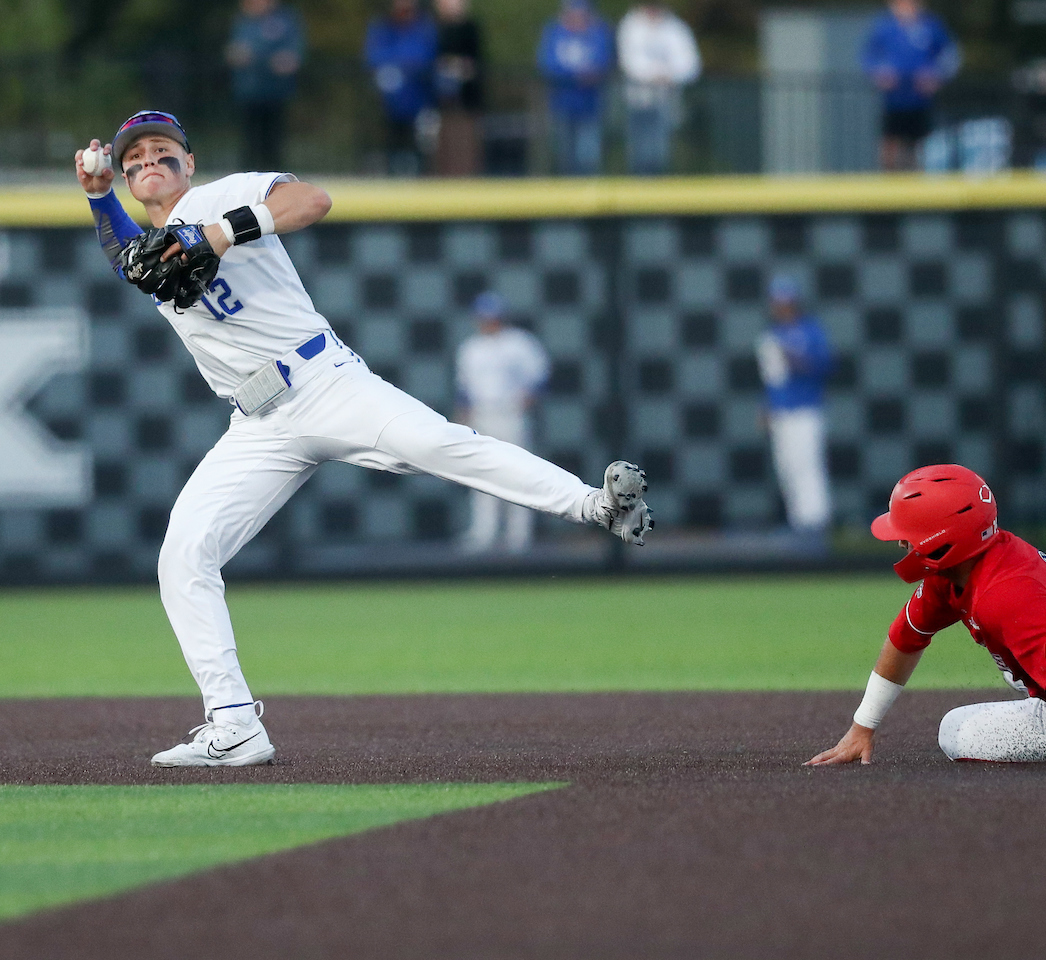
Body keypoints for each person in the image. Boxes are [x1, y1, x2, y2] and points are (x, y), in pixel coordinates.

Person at [73, 110, 653, 767]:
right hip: (257, 424)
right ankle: (234, 724)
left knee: (441, 444)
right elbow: (129, 259)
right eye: (135, 159)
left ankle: (596, 508)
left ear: (189, 162)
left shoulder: (219, 196)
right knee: (183, 556)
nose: (150, 161)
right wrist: (97, 196)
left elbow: (311, 200)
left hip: (325, 382)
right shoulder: (153, 248)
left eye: (162, 151)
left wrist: (218, 232)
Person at [806, 464, 1046, 772]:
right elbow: (905, 638)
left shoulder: (1003, 596)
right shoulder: (970, 563)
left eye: (908, 533)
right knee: (1031, 665)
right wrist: (861, 728)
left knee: (956, 733)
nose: (900, 542)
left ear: (943, 539)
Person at [455, 293, 550, 553]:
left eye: (493, 318)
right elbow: (464, 390)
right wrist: (462, 418)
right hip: (482, 414)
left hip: (510, 413)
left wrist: (527, 400)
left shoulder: (519, 343)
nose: (489, 322)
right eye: (484, 318)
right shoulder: (470, 348)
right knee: (480, 473)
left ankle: (519, 536)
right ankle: (483, 533)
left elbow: (540, 377)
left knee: (519, 471)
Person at [756, 275, 833, 538]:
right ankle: (798, 523)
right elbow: (772, 379)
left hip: (806, 410)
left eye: (786, 302)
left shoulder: (810, 330)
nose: (782, 307)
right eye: (778, 302)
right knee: (787, 467)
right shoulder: (771, 335)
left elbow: (825, 366)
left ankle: (816, 523)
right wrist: (766, 406)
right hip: (781, 413)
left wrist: (796, 357)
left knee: (808, 464)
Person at [860, 0, 959, 172]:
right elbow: (869, 56)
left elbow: (950, 55)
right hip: (894, 99)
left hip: (921, 100)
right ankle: (888, 187)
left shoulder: (931, 26)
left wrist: (936, 76)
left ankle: (919, 187)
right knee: (889, 144)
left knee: (921, 146)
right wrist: (880, 74)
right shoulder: (885, 27)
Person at [616, 3, 700, 176]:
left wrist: (669, 76)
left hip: (667, 102)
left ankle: (657, 196)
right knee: (639, 154)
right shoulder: (630, 25)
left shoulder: (675, 27)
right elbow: (629, 62)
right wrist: (656, 75)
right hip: (638, 101)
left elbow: (690, 65)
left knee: (660, 155)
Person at [224, 0, 306, 172]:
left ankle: (273, 173)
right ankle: (248, 172)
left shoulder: (284, 21)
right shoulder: (243, 23)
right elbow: (234, 52)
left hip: (275, 90)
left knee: (273, 136)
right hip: (249, 90)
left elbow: (293, 54)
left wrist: (285, 61)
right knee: (250, 136)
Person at [537, 0, 614, 176]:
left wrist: (590, 74)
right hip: (561, 104)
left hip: (591, 106)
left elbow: (603, 61)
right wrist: (575, 76)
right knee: (564, 158)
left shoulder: (598, 32)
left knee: (588, 159)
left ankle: (589, 200)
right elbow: (547, 64)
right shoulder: (554, 32)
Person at [364, 0, 439, 176]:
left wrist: (403, 69)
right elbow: (373, 57)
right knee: (392, 140)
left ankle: (421, 175)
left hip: (419, 99)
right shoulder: (382, 27)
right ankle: (392, 173)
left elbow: (425, 57)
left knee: (420, 143)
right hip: (389, 102)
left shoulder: (425, 28)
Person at [433, 0, 485, 176]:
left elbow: (476, 64)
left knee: (465, 147)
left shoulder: (471, 29)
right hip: (442, 103)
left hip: (466, 102)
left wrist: (459, 68)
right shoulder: (434, 29)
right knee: (444, 148)